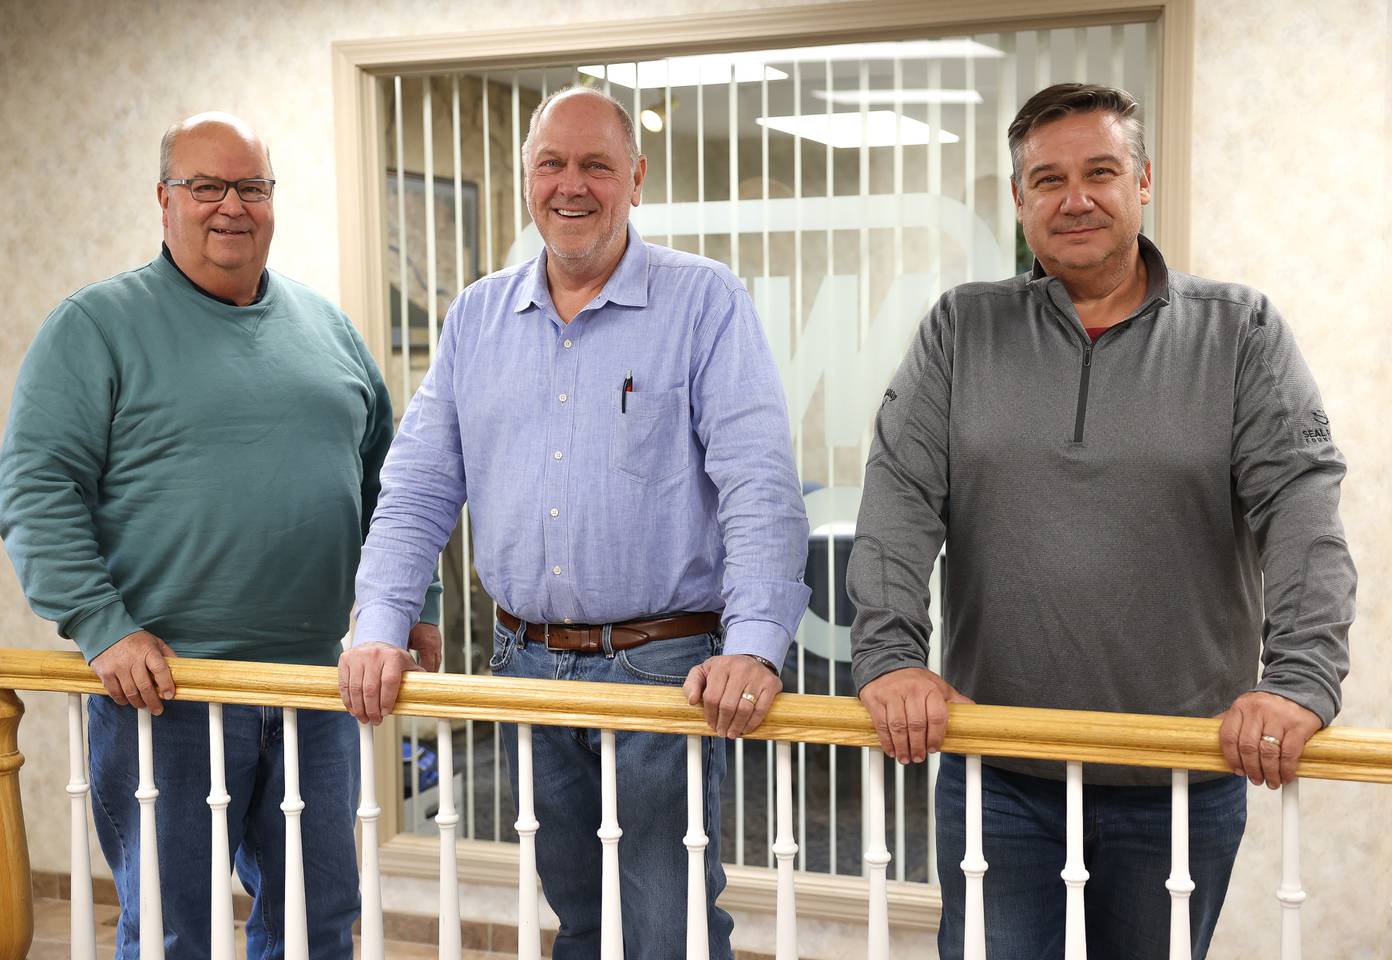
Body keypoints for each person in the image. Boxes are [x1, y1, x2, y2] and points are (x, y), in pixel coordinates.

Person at [848, 83, 1355, 960]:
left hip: (1177, 778)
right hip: (996, 772)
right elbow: (898, 494)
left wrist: (1298, 678)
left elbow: (1303, 504)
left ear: (1143, 181)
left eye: (1100, 171)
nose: (1073, 198)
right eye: (1046, 179)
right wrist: (891, 655)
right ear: (1018, 200)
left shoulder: (1240, 333)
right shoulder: (961, 329)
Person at [339, 86, 810, 959]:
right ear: (527, 179)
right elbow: (415, 489)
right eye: (551, 163)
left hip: (664, 671)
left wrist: (752, 644)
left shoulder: (703, 303)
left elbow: (758, 485)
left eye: (596, 163)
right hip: (526, 666)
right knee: (581, 918)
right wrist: (380, 623)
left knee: (666, 928)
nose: (572, 184)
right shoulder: (477, 318)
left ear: (636, 176)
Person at [0, 112, 439, 958]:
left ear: (273, 200)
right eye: (206, 186)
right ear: (164, 201)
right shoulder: (95, 327)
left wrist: (411, 603)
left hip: (316, 688)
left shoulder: (330, 329)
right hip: (167, 690)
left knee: (319, 922)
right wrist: (101, 624)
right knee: (175, 931)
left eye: (252, 187)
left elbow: (395, 485)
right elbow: (33, 487)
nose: (231, 205)